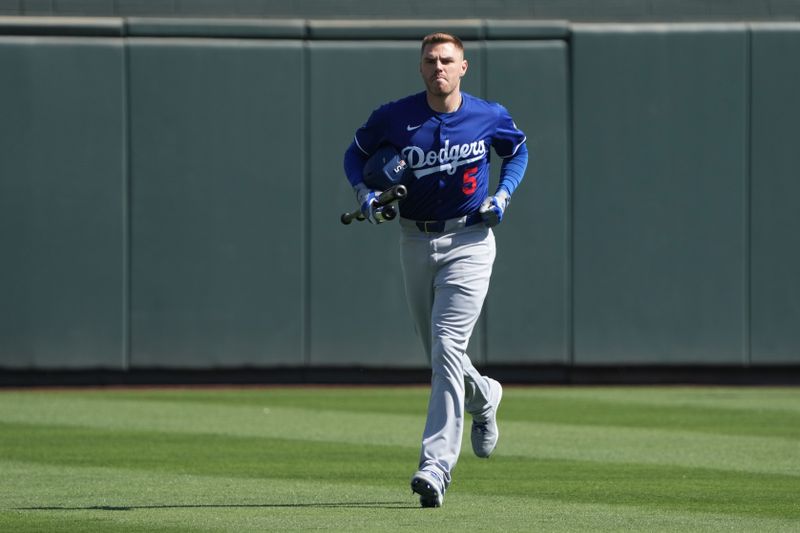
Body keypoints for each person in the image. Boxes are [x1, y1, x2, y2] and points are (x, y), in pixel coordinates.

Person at [342, 32, 528, 508]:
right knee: (440, 354)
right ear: (420, 68)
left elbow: (517, 149)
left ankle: (436, 466)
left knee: (447, 346)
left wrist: (503, 194)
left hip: (469, 239)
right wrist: (365, 196)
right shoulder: (395, 116)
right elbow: (356, 156)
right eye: (430, 60)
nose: (438, 67)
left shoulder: (488, 114)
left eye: (447, 60)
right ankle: (484, 396)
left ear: (463, 67)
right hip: (413, 237)